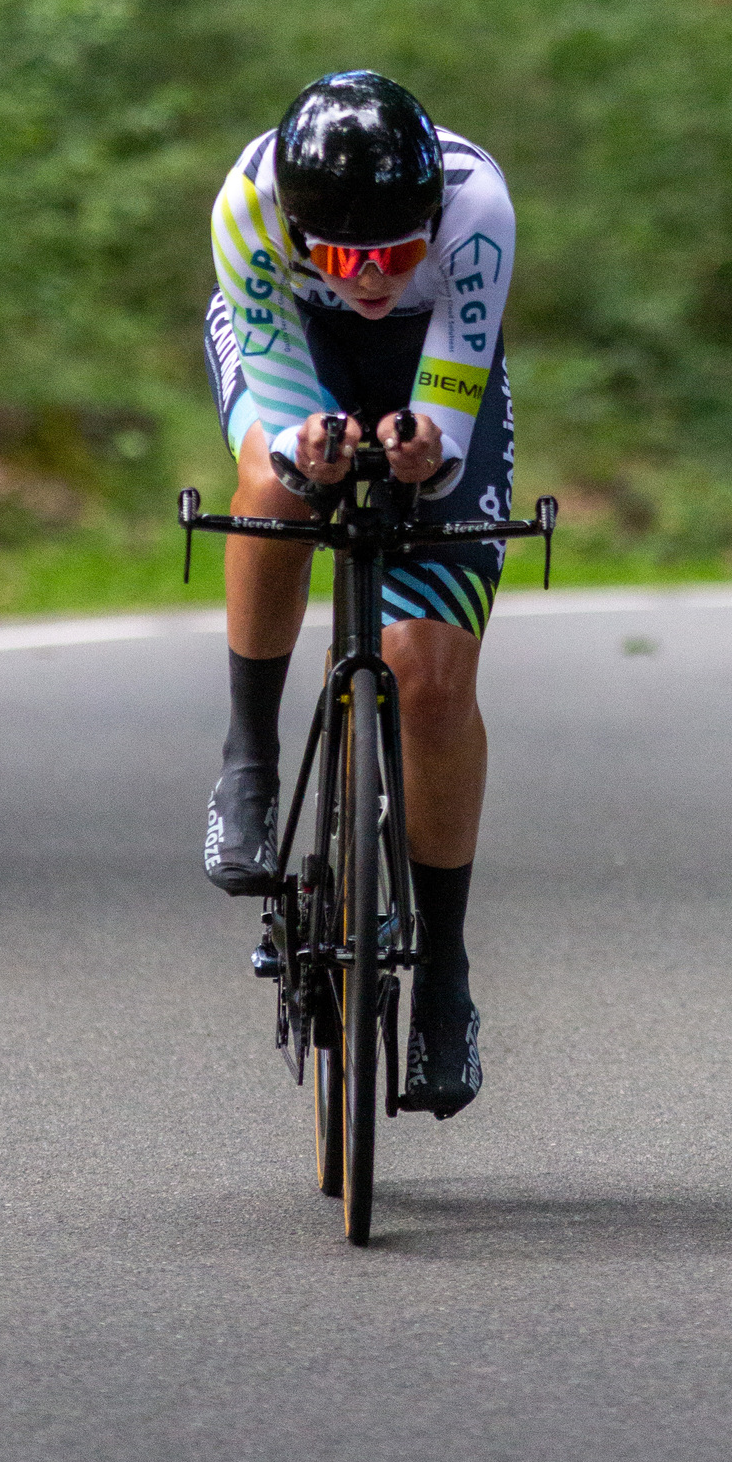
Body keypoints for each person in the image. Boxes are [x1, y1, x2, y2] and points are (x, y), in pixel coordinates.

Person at [202, 70, 515, 1118]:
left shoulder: (476, 209)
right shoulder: (248, 205)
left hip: (427, 362)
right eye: (341, 256)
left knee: (428, 682)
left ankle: (446, 978)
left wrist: (428, 446)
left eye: (394, 253)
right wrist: (312, 451)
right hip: (298, 347)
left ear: (431, 220)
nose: (371, 277)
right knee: (275, 487)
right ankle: (249, 761)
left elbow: (453, 400)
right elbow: (285, 404)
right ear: (299, 230)